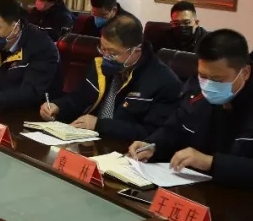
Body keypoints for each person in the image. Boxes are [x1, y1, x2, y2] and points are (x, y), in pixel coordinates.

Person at [128, 29, 253, 191]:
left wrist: (210, 163)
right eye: (203, 76)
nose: (207, 85)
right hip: (201, 186)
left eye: (217, 79)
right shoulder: (197, 84)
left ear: (244, 73)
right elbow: (176, 126)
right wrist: (153, 145)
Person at [40, 15, 181, 141]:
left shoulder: (164, 82)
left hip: (123, 149)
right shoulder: (101, 65)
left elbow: (152, 134)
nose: (106, 56)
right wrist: (58, 106)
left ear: (136, 51)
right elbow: (81, 98)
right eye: (103, 49)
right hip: (85, 139)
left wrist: (100, 125)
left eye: (113, 53)